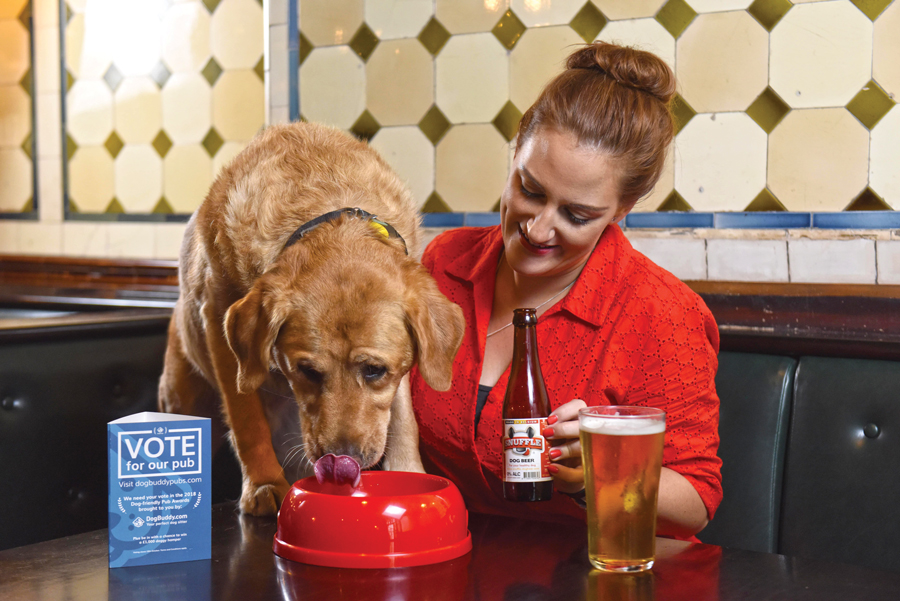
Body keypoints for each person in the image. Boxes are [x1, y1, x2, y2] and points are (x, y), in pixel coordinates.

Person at [408, 42, 721, 539]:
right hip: (453, 552)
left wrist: (600, 470)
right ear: (516, 150)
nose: (536, 229)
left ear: (622, 209)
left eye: (576, 215)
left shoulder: (662, 313)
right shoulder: (443, 264)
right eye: (529, 189)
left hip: (597, 565)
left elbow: (696, 499)